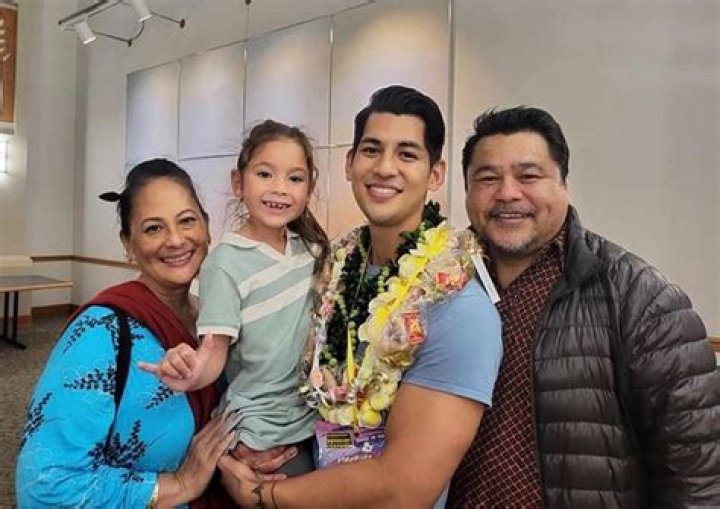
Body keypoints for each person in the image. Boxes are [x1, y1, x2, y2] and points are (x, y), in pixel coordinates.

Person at [216, 85, 503, 508]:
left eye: (407, 154)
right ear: (350, 164)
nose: (385, 168)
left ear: (435, 174)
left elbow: (403, 489)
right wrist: (245, 447)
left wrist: (264, 495)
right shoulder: (332, 268)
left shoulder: (457, 306)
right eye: (371, 150)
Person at [449, 106, 720, 507]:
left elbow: (699, 475)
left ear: (564, 184)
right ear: (468, 191)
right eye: (487, 178)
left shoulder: (642, 299)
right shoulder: (437, 288)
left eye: (528, 176)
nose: (507, 193)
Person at [15, 159, 244, 507]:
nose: (176, 240)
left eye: (187, 221)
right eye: (153, 228)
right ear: (128, 243)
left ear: (207, 227)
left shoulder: (218, 323)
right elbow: (45, 484)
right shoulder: (101, 332)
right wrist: (180, 484)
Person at [140, 120, 330, 476]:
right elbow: (215, 350)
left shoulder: (312, 250)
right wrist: (192, 374)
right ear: (238, 183)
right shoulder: (224, 263)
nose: (280, 188)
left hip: (315, 413)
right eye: (265, 174)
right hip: (262, 428)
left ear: (309, 188)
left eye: (294, 178)